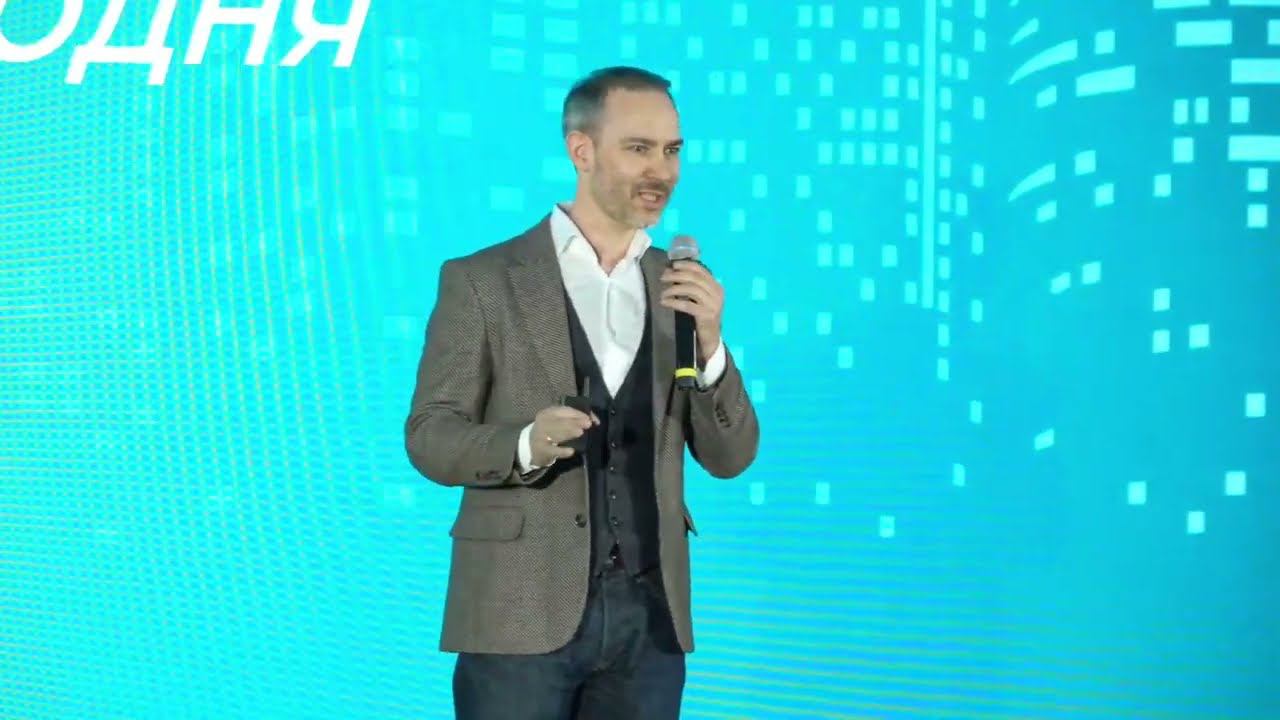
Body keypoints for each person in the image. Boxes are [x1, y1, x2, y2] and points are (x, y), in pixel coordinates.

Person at [404, 65, 760, 720]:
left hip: (650, 623)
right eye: (639, 148)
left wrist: (711, 347)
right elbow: (430, 435)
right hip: (517, 612)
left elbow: (731, 457)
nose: (661, 170)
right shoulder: (483, 280)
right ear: (581, 150)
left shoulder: (681, 286)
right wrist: (523, 443)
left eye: (672, 150)